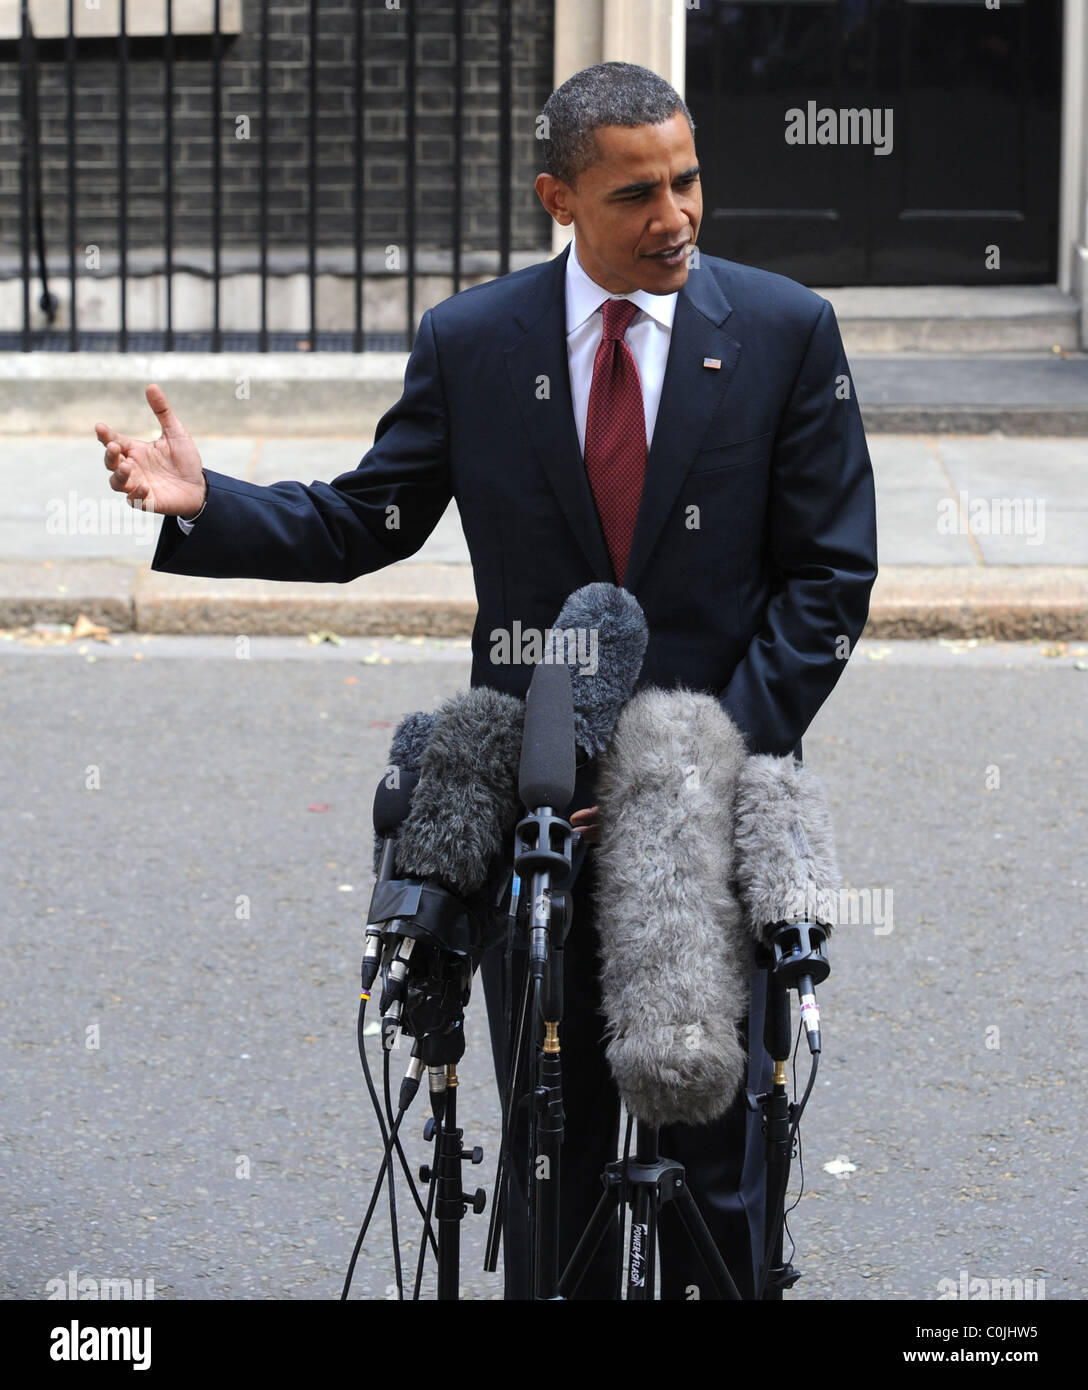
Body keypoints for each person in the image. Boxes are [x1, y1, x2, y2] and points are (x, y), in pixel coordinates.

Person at [94, 61, 877, 1300]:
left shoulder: (785, 333)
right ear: (555, 197)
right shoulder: (473, 341)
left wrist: (696, 761)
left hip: (708, 797)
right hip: (537, 806)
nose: (673, 215)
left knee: (714, 1151)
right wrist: (212, 506)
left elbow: (826, 583)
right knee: (549, 1139)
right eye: (634, 195)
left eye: (685, 180)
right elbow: (372, 518)